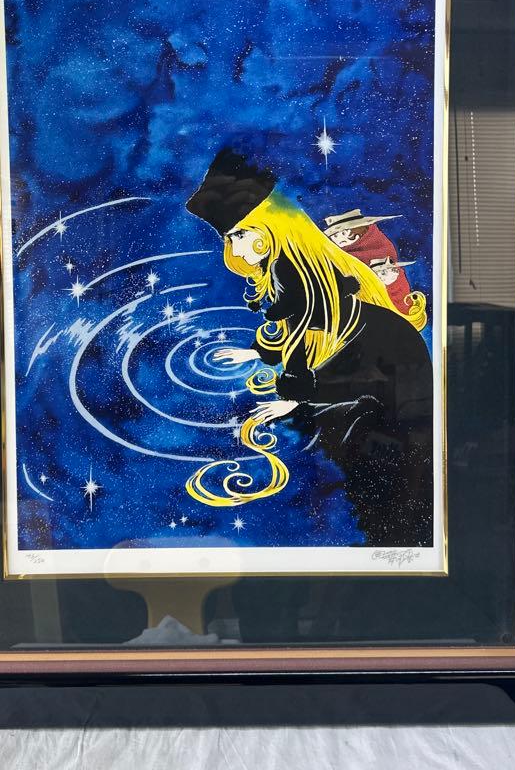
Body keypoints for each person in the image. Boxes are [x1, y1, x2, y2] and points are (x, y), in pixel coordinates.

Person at [184, 148, 434, 546]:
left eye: (241, 235)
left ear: (272, 229)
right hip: (373, 390)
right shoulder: (292, 274)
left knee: (391, 503)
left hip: (392, 399)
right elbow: (303, 334)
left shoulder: (306, 278)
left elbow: (344, 357)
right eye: (232, 238)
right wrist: (259, 355)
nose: (237, 248)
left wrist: (297, 398)